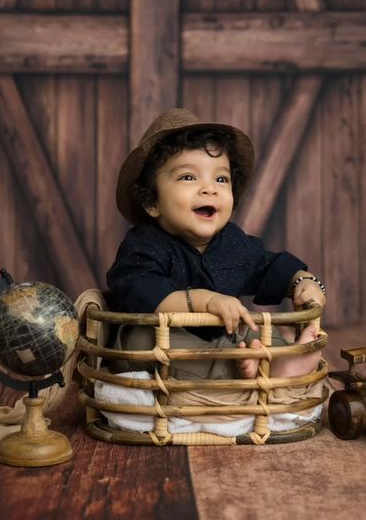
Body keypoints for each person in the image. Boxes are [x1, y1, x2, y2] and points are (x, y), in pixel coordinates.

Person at [106, 108, 326, 381]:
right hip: (157, 341)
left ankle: (277, 360)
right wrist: (207, 301)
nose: (209, 189)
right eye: (189, 177)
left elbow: (268, 266)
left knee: (253, 327)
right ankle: (240, 369)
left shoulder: (232, 242)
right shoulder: (143, 245)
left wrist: (301, 280)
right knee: (144, 342)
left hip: (225, 338)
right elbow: (144, 290)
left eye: (221, 179)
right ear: (152, 201)